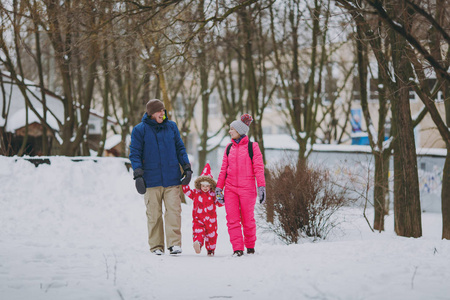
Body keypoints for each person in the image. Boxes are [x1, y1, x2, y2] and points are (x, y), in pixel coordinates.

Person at [129, 99, 192, 255]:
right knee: (154, 215)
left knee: (174, 212)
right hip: (151, 180)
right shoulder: (139, 130)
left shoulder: (171, 127)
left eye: (164, 111)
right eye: (160, 111)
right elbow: (135, 153)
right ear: (151, 113)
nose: (163, 113)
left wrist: (187, 168)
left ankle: (174, 244)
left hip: (171, 179)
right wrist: (138, 175)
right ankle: (156, 246)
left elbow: (180, 148)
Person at [215, 114, 266, 257]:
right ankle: (237, 249)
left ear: (240, 130)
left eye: (232, 129)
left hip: (247, 189)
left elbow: (259, 168)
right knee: (232, 220)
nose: (230, 131)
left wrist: (261, 186)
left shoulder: (253, 147)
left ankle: (250, 246)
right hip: (231, 189)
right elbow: (223, 170)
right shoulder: (228, 148)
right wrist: (219, 188)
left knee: (247, 220)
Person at [182, 163, 223, 256]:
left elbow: (219, 203)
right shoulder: (196, 193)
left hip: (211, 221)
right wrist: (185, 183)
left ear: (211, 186)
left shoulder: (213, 195)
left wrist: (221, 197)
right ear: (199, 185)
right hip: (198, 219)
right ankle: (198, 244)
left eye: (207, 186)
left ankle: (210, 250)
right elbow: (187, 191)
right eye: (203, 185)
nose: (205, 188)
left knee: (211, 236)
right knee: (198, 232)